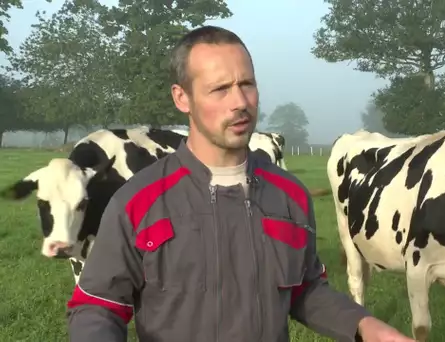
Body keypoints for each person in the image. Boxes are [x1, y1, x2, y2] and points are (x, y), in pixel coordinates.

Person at [66, 25, 415, 342]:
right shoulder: (137, 202)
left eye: (246, 84)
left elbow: (304, 289)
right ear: (181, 97)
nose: (240, 102)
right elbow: (97, 306)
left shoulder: (290, 196)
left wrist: (368, 327)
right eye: (220, 89)